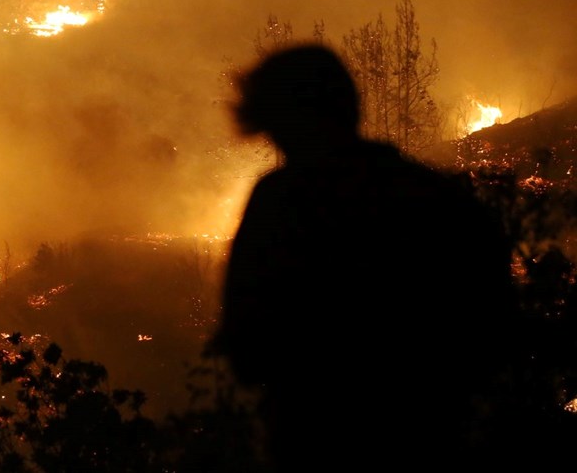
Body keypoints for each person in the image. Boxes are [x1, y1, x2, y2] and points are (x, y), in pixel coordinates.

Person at [214, 44, 515, 471]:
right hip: (429, 439)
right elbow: (495, 329)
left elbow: (246, 341)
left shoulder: (281, 203)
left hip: (313, 440)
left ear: (283, 121)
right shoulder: (439, 198)